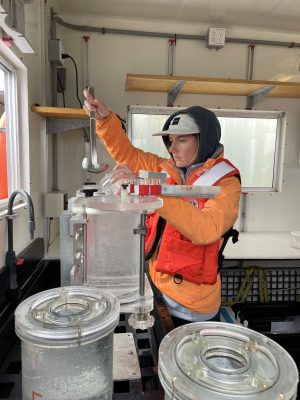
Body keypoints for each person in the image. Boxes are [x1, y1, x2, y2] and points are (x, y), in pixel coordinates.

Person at [83, 89, 241, 325]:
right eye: (170, 140)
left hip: (193, 307)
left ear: (204, 139)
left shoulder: (226, 181)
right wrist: (105, 120)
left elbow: (207, 229)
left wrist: (150, 189)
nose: (172, 148)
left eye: (182, 139)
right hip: (156, 290)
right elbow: (128, 155)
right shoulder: (167, 168)